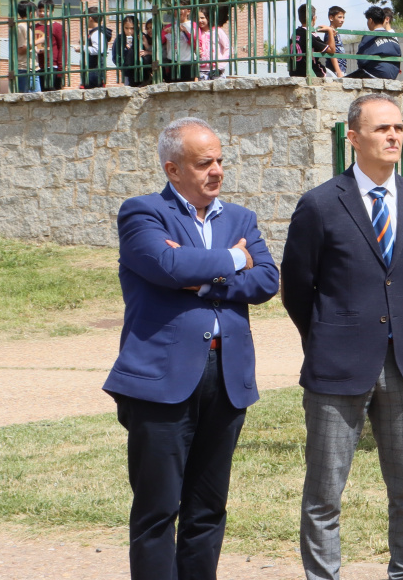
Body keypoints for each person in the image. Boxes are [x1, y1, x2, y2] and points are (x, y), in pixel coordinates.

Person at [104, 117, 280, 579]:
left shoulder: (241, 218)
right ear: (173, 169)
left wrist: (203, 278)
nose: (217, 170)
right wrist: (235, 259)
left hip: (227, 378)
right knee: (157, 511)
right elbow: (167, 264)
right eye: (205, 163)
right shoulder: (142, 212)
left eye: (220, 160)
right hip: (162, 380)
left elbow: (267, 280)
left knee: (207, 509)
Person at [282, 94, 403, 580]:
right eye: (381, 129)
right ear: (353, 137)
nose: (393, 136)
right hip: (337, 367)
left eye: (398, 128)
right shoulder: (320, 204)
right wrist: (330, 336)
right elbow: (297, 287)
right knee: (325, 492)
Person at [349, 5, 402, 81]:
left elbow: (361, 60)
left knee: (346, 81)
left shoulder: (369, 36)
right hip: (393, 74)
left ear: (370, 20)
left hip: (376, 73)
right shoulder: (393, 38)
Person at [36, 0, 68, 91]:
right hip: (37, 66)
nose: (42, 13)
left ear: (52, 12)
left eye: (45, 11)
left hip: (52, 67)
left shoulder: (57, 27)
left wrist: (61, 70)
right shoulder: (33, 27)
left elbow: (63, 48)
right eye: (40, 10)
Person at [115, 16, 154, 88]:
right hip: (128, 73)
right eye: (126, 28)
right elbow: (116, 56)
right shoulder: (120, 39)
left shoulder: (143, 37)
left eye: (132, 28)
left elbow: (151, 54)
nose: (129, 31)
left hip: (143, 72)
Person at [162, 7, 200, 84]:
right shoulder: (169, 26)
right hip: (173, 62)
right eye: (176, 9)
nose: (179, 11)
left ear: (188, 11)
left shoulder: (193, 25)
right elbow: (160, 41)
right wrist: (165, 32)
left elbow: (196, 44)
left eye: (182, 8)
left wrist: (185, 32)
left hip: (189, 62)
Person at [13, 0, 43, 94]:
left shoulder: (27, 27)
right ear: (30, 13)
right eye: (35, 12)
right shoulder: (21, 27)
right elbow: (20, 50)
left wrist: (37, 50)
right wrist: (38, 41)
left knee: (36, 99)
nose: (36, 15)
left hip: (31, 68)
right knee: (32, 100)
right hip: (25, 69)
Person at [196, 9, 230, 80]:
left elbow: (227, 48)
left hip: (217, 69)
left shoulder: (217, 31)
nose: (200, 20)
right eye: (198, 18)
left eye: (202, 18)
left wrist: (221, 65)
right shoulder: (196, 32)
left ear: (208, 17)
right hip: (201, 70)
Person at [83, 11, 113, 89]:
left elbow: (99, 49)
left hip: (95, 69)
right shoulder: (97, 32)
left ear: (90, 18)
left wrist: (82, 48)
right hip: (95, 69)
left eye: (84, 18)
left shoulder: (97, 32)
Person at [321, 6, 346, 77]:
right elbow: (331, 53)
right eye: (340, 17)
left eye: (343, 17)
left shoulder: (335, 32)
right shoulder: (329, 33)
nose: (342, 20)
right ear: (331, 18)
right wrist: (338, 72)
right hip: (335, 71)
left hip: (341, 68)